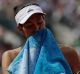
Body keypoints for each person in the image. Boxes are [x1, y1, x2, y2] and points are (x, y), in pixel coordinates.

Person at [2, 3, 73, 74]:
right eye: (29, 26)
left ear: (44, 20)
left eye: (39, 23)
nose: (36, 28)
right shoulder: (10, 56)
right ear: (20, 29)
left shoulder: (68, 53)